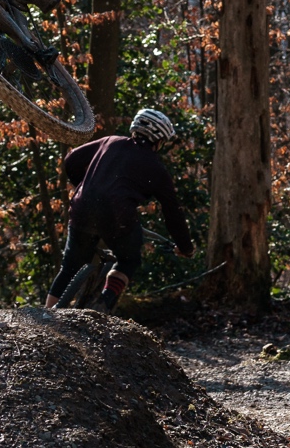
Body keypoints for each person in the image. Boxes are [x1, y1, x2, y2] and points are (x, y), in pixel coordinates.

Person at [45, 108, 194, 314]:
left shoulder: (110, 142)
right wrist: (185, 247)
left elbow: (71, 160)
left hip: (82, 207)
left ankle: (47, 315)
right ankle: (103, 304)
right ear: (159, 140)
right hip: (117, 217)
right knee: (128, 260)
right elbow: (172, 211)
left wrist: (84, 186)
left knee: (70, 267)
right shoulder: (156, 168)